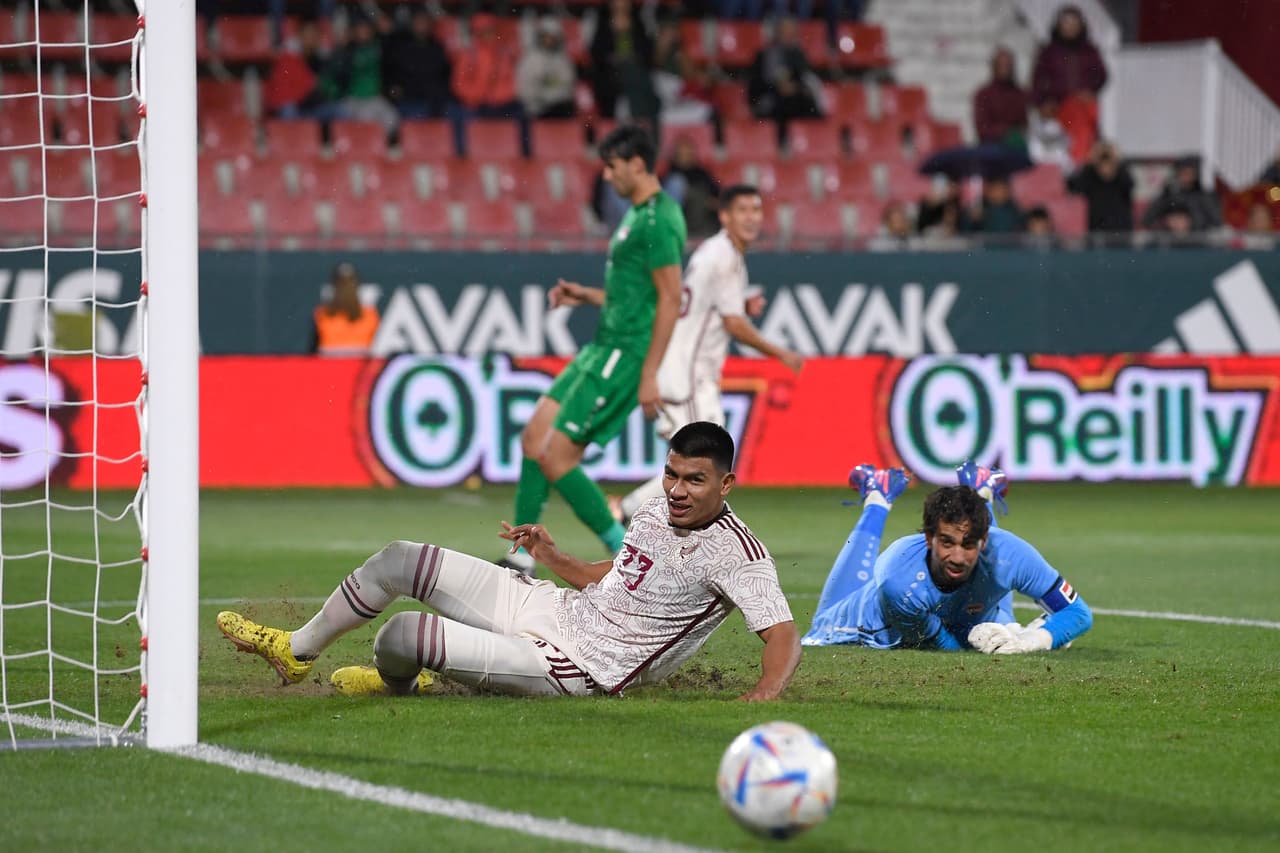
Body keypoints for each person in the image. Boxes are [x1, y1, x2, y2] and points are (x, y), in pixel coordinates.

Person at [215, 422, 801, 700]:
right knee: (399, 559)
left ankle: (402, 685)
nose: (676, 488)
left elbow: (781, 632)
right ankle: (297, 653)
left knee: (402, 635)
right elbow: (618, 574)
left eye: (694, 480)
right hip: (554, 607)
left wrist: (767, 691)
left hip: (576, 666)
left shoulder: (740, 553)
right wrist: (552, 555)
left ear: (725, 483)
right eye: (671, 473)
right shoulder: (654, 509)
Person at [505, 124, 686, 576]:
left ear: (638, 164)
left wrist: (649, 373)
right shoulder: (636, 215)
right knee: (533, 440)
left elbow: (670, 297)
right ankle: (520, 563)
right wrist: (586, 296)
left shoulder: (659, 221)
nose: (606, 176)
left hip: (623, 354)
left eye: (612, 166)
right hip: (601, 345)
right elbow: (635, 296)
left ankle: (634, 562)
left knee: (557, 457)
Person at [613, 186, 802, 525]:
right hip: (685, 374)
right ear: (725, 215)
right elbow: (733, 324)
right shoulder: (724, 257)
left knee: (702, 460)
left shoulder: (717, 253)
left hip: (691, 372)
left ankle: (630, 511)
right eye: (742, 210)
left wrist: (741, 305)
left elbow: (705, 305)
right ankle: (629, 513)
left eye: (756, 210)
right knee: (701, 460)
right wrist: (781, 353)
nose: (751, 217)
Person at [803, 462, 1093, 653]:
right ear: (929, 538)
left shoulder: (1010, 554)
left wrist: (1029, 641)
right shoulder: (899, 581)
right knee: (821, 623)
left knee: (996, 585)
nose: (957, 556)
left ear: (984, 540)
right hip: (867, 627)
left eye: (969, 544)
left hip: (974, 613)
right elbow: (946, 647)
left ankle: (981, 492)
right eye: (946, 542)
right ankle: (878, 499)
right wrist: (1009, 638)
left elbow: (1079, 614)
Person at [1031, 5, 1108, 164]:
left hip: (1083, 108)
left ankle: (1080, 164)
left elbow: (1101, 75)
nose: (1070, 27)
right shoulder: (1048, 52)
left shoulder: (1089, 51)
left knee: (1083, 139)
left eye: (1074, 23)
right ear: (1058, 26)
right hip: (1058, 110)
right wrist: (1043, 103)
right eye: (1066, 23)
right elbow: (1037, 81)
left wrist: (1090, 90)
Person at [747, 17, 822, 146]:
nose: (788, 37)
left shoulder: (799, 55)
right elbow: (754, 89)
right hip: (770, 101)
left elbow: (808, 80)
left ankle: (813, 146)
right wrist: (777, 87)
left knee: (813, 110)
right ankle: (779, 147)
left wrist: (795, 88)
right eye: (785, 33)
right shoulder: (764, 55)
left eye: (792, 33)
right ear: (777, 34)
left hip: (795, 100)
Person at [382, 8, 454, 120]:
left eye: (424, 22)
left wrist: (438, 93)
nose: (421, 25)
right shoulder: (400, 46)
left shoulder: (437, 47)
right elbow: (390, 72)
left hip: (431, 101)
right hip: (406, 99)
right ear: (411, 24)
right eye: (417, 22)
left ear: (430, 25)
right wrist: (393, 89)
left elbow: (444, 75)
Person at [516, 16, 578, 120]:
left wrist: (554, 96)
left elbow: (568, 86)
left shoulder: (563, 60)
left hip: (559, 109)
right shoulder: (530, 59)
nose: (549, 40)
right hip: (537, 110)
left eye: (553, 37)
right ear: (539, 37)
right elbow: (524, 90)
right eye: (546, 36)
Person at [312, 262, 379, 356]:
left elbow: (313, 349)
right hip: (352, 365)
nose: (346, 288)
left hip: (332, 364)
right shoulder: (370, 315)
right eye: (343, 283)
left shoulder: (321, 314)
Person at [1067, 140, 1134, 234]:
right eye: (1102, 163)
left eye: (1109, 163)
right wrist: (1090, 160)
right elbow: (1072, 186)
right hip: (1096, 233)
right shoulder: (1090, 176)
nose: (1105, 168)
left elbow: (1130, 184)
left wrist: (1117, 159)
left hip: (1121, 234)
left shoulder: (1121, 178)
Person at [1142, 156, 1223, 233]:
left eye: (1190, 173)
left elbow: (1217, 221)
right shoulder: (1169, 194)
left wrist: (1194, 226)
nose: (1186, 176)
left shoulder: (1204, 195)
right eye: (1183, 172)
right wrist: (1167, 224)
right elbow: (1148, 218)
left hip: (1199, 241)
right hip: (1171, 242)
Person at [661, 135, 721, 238]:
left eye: (688, 153)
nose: (685, 156)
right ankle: (671, 229)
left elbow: (717, 196)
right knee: (676, 182)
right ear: (675, 155)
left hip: (699, 218)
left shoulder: (703, 174)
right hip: (677, 218)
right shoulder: (668, 175)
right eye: (681, 153)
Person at [973, 47, 1029, 149]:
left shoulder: (1020, 94)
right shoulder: (983, 94)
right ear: (994, 67)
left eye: (1008, 65)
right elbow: (982, 129)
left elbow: (1024, 125)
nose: (1005, 70)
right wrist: (1006, 132)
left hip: (1014, 148)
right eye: (1001, 65)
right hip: (990, 146)